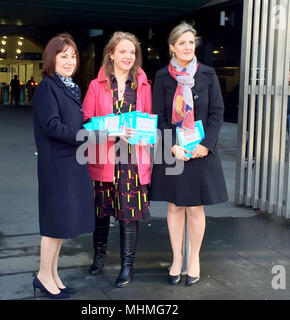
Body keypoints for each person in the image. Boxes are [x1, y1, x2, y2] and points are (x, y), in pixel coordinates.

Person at [150, 22, 228, 286]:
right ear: (172, 47)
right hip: (174, 149)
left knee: (195, 207)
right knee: (174, 206)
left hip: (200, 150)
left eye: (191, 42)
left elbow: (217, 112)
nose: (187, 47)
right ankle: (176, 258)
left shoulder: (207, 73)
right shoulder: (162, 76)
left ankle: (193, 258)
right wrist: (172, 145)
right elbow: (158, 115)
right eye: (181, 42)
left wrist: (206, 144)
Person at [82, 31, 152, 288]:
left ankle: (126, 267)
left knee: (129, 214)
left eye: (132, 52)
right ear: (111, 54)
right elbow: (86, 123)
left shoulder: (143, 84)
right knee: (101, 213)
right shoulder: (95, 85)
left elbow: (148, 121)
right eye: (122, 51)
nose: (128, 56)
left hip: (133, 160)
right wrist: (112, 131)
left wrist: (147, 136)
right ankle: (99, 256)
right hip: (105, 157)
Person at [32, 33, 94, 299]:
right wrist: (84, 136)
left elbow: (74, 125)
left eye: (73, 56)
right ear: (51, 58)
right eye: (63, 55)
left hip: (71, 162)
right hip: (56, 164)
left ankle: (52, 274)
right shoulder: (48, 87)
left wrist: (96, 129)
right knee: (54, 222)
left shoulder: (69, 87)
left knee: (61, 223)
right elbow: (51, 125)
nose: (69, 61)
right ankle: (43, 276)